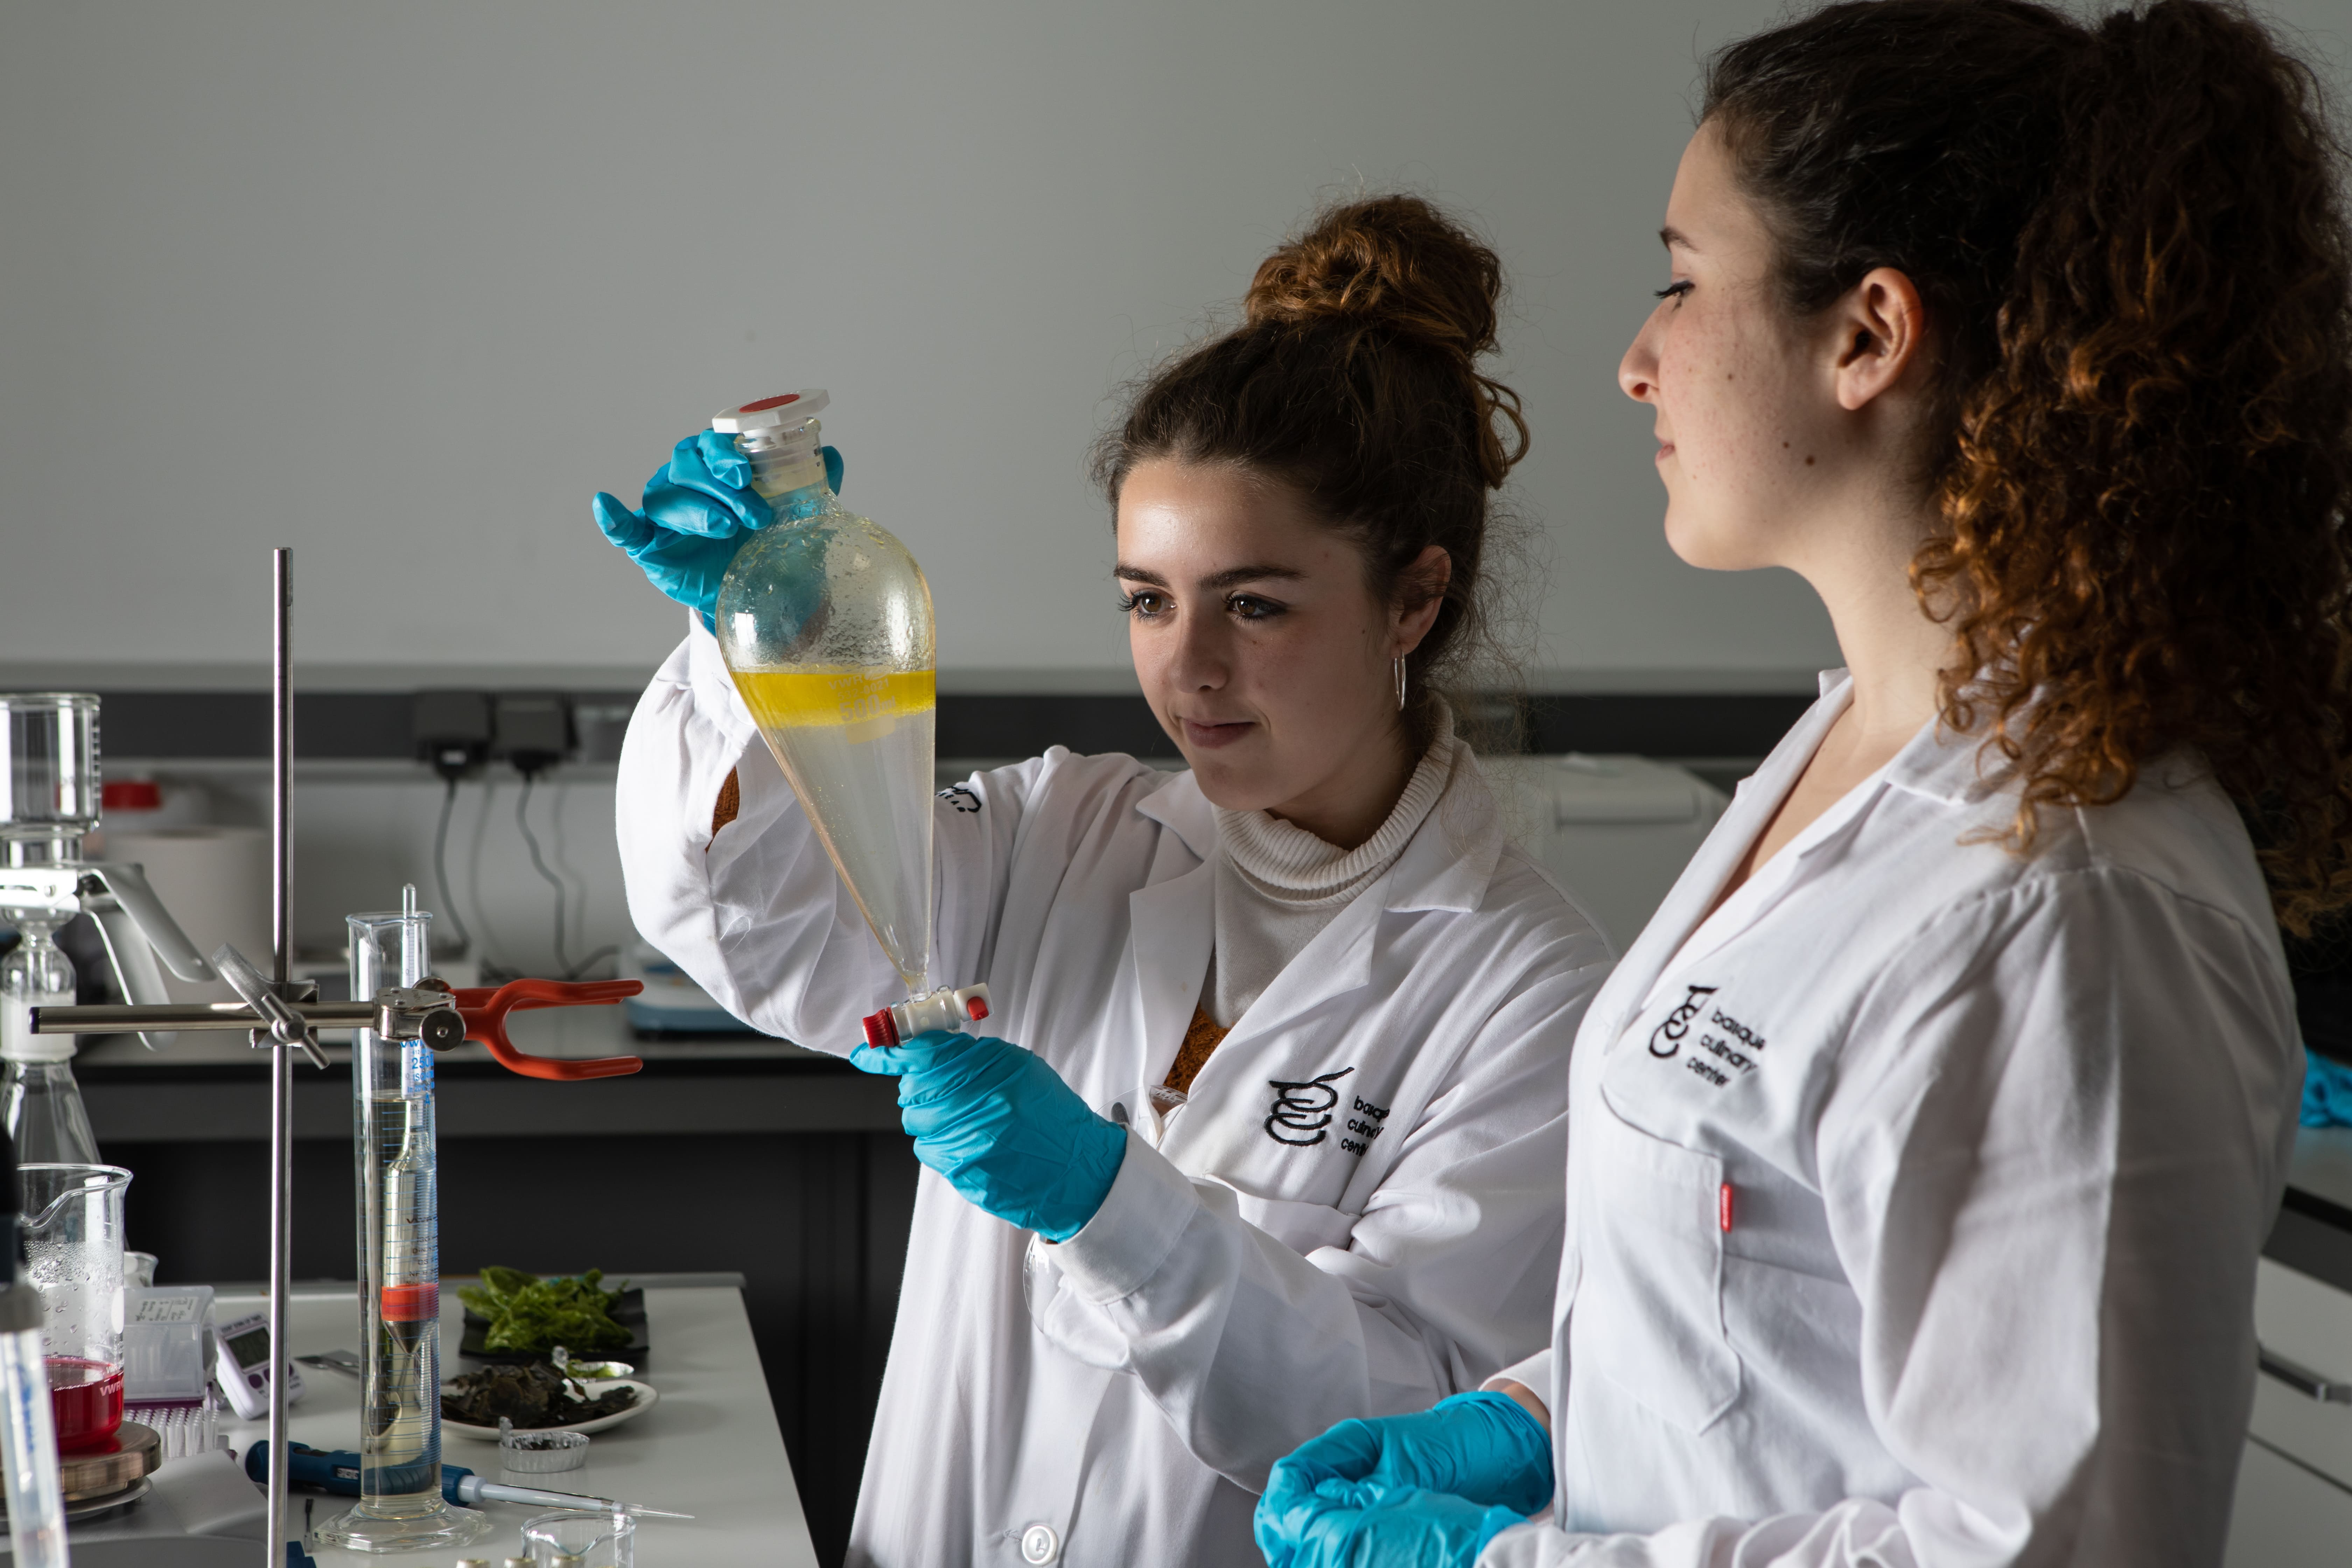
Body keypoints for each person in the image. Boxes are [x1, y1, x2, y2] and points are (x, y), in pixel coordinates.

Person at [1254, 2, 2352, 1564]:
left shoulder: (2067, 909)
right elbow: (1782, 1332)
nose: (1637, 363)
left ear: (1868, 335)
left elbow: (2049, 1543)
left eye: (1682, 280)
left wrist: (1497, 1566)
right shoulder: (1849, 755)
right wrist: (1544, 1419)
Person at [599, 196, 1613, 1564]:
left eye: (1253, 604)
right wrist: (749, 655)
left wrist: (1106, 1200)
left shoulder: (1531, 991)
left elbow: (1400, 1424)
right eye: (1149, 598)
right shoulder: (1057, 829)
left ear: (1413, 600)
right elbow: (768, 931)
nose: (1187, 667)